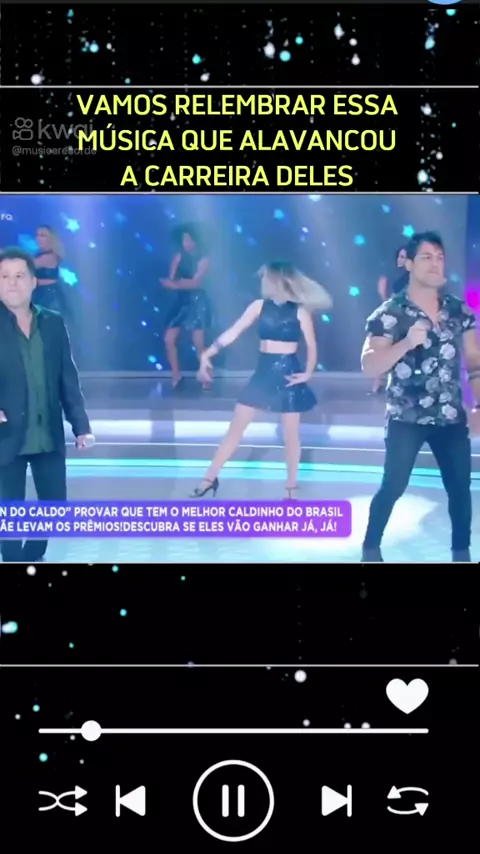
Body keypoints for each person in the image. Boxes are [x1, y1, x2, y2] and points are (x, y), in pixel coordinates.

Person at [361, 231, 480, 562]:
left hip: (450, 417)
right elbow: (370, 365)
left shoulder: (458, 310)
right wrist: (405, 343)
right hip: (406, 418)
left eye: (440, 257)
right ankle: (370, 549)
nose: (435, 263)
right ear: (409, 263)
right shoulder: (389, 313)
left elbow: (474, 361)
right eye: (427, 257)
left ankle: (461, 554)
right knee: (393, 486)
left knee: (460, 489)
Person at [191, 262, 332, 499]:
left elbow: (311, 344)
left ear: (278, 279)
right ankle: (209, 478)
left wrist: (308, 372)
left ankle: (291, 486)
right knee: (236, 429)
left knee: (291, 435)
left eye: (267, 277)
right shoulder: (259, 306)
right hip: (263, 372)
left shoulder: (300, 311)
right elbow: (234, 331)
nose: (263, 281)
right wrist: (209, 352)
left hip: (288, 373)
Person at [0, 247, 94, 562]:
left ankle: (33, 553)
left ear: (33, 282)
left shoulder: (53, 323)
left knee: (54, 505)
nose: (11, 283)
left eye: (19, 276)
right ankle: (12, 560)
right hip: (6, 435)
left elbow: (68, 378)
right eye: (4, 277)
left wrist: (81, 426)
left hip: (47, 434)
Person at [160, 224, 212, 390]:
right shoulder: (178, 257)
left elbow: (196, 283)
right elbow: (171, 280)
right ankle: (176, 376)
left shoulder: (204, 259)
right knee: (169, 339)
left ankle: (206, 376)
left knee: (198, 342)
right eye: (184, 240)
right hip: (182, 301)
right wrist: (174, 278)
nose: (187, 244)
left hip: (197, 301)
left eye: (190, 240)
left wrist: (176, 284)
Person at [370, 246, 408, 394]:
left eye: (404, 257)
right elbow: (382, 291)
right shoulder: (390, 273)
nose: (401, 260)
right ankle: (377, 382)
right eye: (399, 256)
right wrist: (388, 303)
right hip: (390, 313)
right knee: (383, 346)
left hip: (405, 315)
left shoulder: (411, 276)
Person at [33, 225, 68, 315]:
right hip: (41, 295)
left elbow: (25, 265)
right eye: (37, 235)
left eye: (42, 235)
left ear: (51, 238)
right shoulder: (40, 254)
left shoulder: (49, 257)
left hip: (48, 299)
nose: (38, 238)